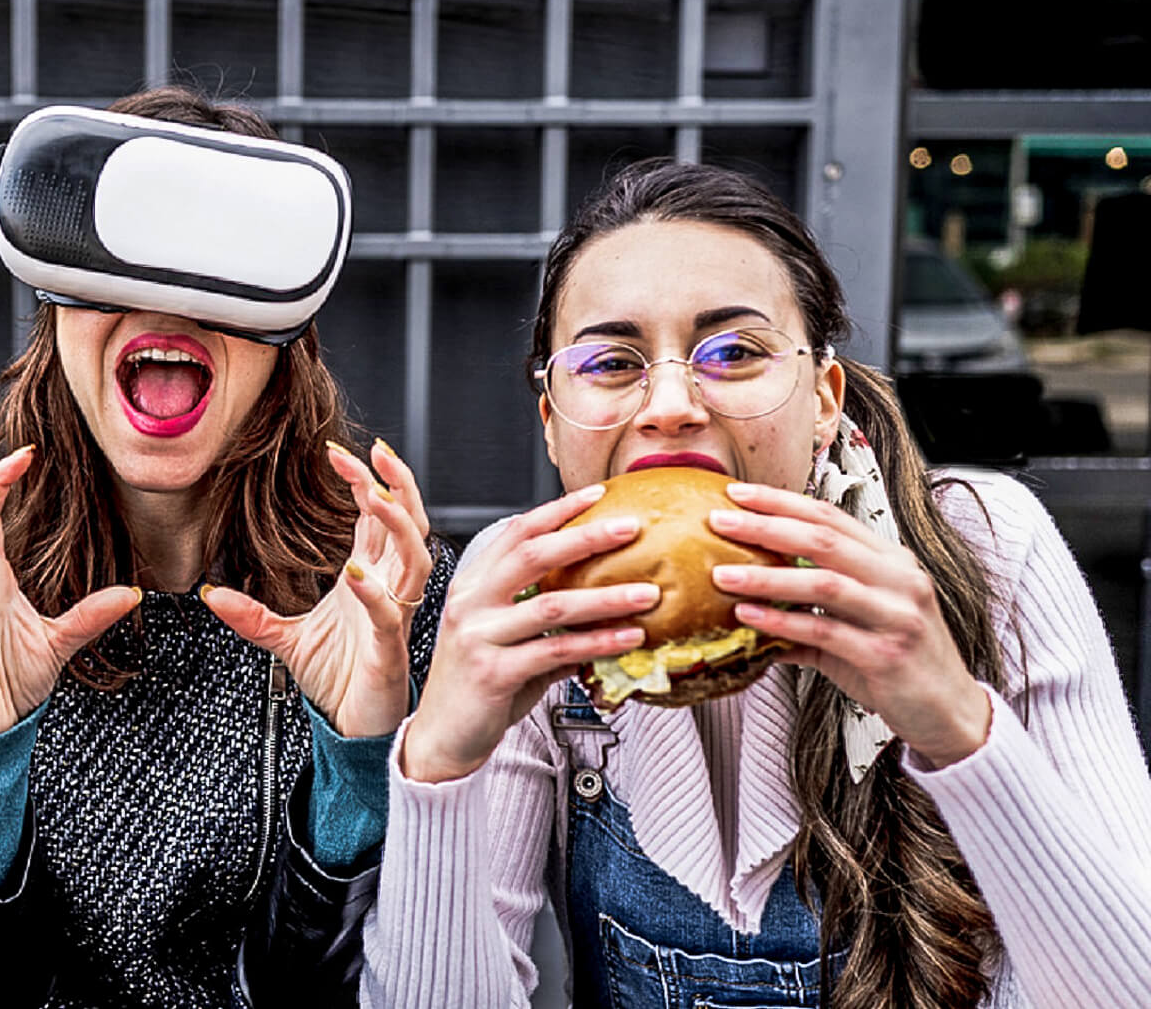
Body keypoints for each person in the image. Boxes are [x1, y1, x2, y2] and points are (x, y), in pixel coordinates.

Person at [362, 158, 1151, 1008]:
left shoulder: (985, 547)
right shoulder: (528, 591)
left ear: (823, 397)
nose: (671, 403)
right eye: (612, 362)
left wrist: (959, 728)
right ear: (553, 422)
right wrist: (439, 766)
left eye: (735, 351)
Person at [0, 86, 457, 1007]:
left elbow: (381, 981)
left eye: (215, 267)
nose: (166, 300)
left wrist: (358, 760)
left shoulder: (385, 594)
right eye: (119, 266)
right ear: (57, 306)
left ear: (283, 329)